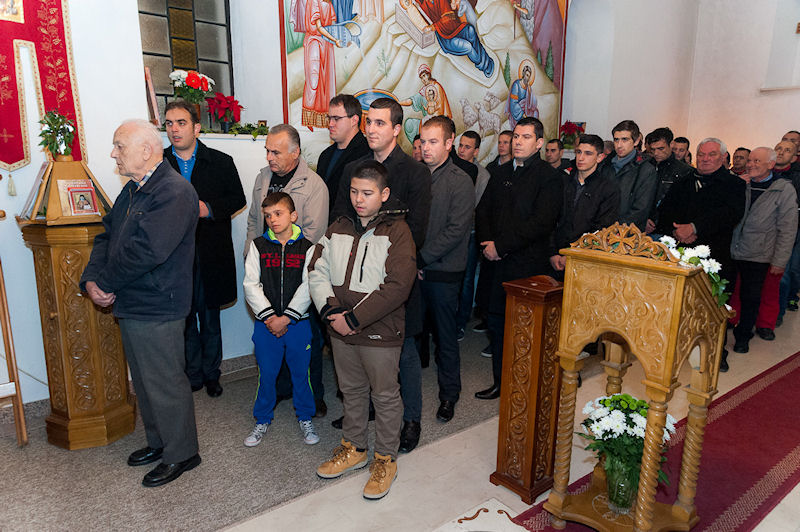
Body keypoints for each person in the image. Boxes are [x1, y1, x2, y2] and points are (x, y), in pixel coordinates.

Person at [80, 119, 200, 487]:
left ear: (146, 150)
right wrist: (91, 280)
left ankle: (182, 453)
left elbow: (147, 251)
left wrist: (106, 283)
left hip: (158, 304)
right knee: (146, 383)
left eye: (119, 146)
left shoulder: (174, 191)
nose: (112, 153)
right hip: (133, 301)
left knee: (164, 382)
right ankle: (159, 442)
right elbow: (106, 236)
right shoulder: (134, 189)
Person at [309, 160, 417, 500]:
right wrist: (330, 310)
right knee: (351, 390)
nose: (359, 199)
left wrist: (354, 319)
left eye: (367, 193)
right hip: (339, 328)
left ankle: (385, 459)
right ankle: (354, 448)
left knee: (384, 396)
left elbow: (398, 286)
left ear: (384, 194)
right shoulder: (339, 226)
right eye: (355, 191)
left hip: (379, 331)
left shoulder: (398, 231)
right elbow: (316, 268)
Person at [474, 117, 563, 399]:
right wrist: (487, 244)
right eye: (516, 137)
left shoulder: (549, 177)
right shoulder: (501, 172)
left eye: (526, 137)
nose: (518, 142)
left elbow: (541, 223)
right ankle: (501, 382)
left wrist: (501, 246)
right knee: (497, 324)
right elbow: (483, 211)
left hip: (526, 266)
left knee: (524, 329)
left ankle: (525, 385)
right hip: (495, 263)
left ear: (539, 143)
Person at [163, 100, 246, 398]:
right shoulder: (159, 164)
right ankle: (192, 373)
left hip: (211, 252)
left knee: (210, 318)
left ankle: (212, 374)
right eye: (169, 123)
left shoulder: (221, 161)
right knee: (184, 317)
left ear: (196, 128)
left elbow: (237, 198)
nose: (174, 129)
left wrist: (207, 209)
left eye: (181, 123)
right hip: (174, 254)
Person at [399, 116, 472, 452]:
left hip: (443, 271)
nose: (425, 148)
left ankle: (449, 394)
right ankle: (406, 398)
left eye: (432, 142)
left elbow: (456, 230)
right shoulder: (415, 176)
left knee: (445, 337)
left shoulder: (460, 180)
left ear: (449, 143)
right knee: (410, 335)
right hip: (413, 269)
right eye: (422, 142)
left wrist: (420, 259)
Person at [246, 124, 329, 415]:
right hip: (268, 270)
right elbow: (254, 221)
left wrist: (292, 262)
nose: (269, 157)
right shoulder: (263, 178)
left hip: (298, 273)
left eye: (276, 152)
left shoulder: (314, 185)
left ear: (295, 153)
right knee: (273, 335)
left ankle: (314, 394)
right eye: (267, 151)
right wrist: (251, 256)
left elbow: (314, 235)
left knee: (307, 337)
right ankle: (282, 388)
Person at [657, 138, 746, 370]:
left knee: (715, 307)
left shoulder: (734, 184)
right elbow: (665, 211)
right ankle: (681, 347)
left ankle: (716, 352)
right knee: (682, 306)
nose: (705, 159)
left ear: (723, 157)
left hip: (716, 255)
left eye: (712, 154)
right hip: (681, 253)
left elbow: (730, 214)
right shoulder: (683, 182)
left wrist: (695, 228)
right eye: (701, 154)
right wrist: (677, 231)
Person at [242, 192, 319, 447]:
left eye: (278, 213)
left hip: (298, 323)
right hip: (266, 325)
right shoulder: (258, 246)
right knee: (267, 374)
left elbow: (309, 286)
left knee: (301, 374)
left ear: (293, 215)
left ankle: (305, 417)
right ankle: (262, 418)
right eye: (267, 216)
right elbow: (251, 284)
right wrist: (270, 317)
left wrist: (286, 318)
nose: (272, 220)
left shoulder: (308, 247)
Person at [729, 147, 797, 354]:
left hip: (759, 254)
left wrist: (780, 261)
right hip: (733, 249)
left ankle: (743, 336)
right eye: (750, 160)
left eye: (757, 161)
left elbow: (788, 229)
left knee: (751, 297)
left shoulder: (784, 190)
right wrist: (737, 186)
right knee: (730, 293)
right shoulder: (740, 184)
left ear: (771, 164)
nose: (751, 164)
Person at [550, 134, 619, 277]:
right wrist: (552, 253)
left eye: (588, 153)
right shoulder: (562, 182)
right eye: (578, 152)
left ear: (599, 157)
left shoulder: (608, 189)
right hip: (555, 256)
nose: (581, 158)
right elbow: (549, 219)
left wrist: (573, 254)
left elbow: (601, 229)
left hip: (585, 259)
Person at [455, 130, 489, 340]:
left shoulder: (482, 175)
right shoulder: (451, 168)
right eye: (461, 145)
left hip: (470, 232)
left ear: (476, 151)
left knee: (466, 280)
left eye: (467, 147)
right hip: (453, 231)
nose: (462, 150)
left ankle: (460, 323)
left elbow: (477, 208)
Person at [407, 0, 494, 77]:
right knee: (468, 47)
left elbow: (449, 17)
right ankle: (482, 65)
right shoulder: (422, 3)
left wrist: (433, 27)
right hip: (445, 37)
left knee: (470, 30)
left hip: (454, 27)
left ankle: (486, 61)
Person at [317, 94, 371, 217]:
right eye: (329, 118)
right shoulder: (325, 155)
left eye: (336, 118)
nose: (330, 124)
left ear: (354, 120)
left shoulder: (367, 153)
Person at [600, 120, 657, 232]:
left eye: (625, 139)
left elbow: (641, 209)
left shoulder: (646, 170)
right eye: (616, 140)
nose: (619, 145)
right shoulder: (605, 165)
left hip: (628, 234)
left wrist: (614, 229)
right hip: (601, 231)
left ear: (636, 141)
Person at [643, 127, 693, 234]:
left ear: (671, 144)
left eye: (661, 148)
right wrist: (644, 218)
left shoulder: (685, 171)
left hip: (670, 228)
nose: (656, 153)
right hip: (644, 224)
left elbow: (684, 205)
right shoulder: (645, 166)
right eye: (653, 149)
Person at [507, 60, 538, 128]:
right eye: (527, 75)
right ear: (523, 74)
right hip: (517, 111)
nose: (528, 78)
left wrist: (529, 92)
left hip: (526, 109)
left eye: (529, 76)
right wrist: (522, 114)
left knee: (536, 112)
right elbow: (513, 103)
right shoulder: (516, 85)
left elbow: (532, 103)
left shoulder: (528, 87)